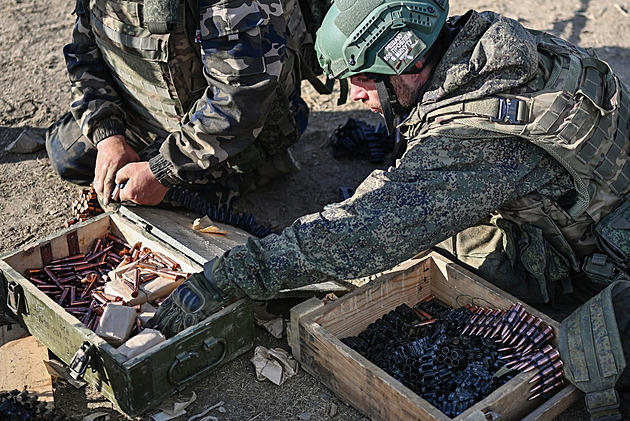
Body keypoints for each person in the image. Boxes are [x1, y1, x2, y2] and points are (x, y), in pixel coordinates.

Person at [151, 0, 630, 418]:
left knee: (584, 349)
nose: (357, 95)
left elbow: (362, 234)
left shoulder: (474, 138)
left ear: (407, 60)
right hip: (592, 206)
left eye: (363, 79)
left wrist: (229, 276)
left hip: (609, 259)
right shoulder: (493, 48)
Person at [46, 0, 314, 207]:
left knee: (154, 206)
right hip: (146, 116)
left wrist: (164, 169)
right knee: (68, 158)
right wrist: (108, 135)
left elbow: (241, 99)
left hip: (227, 130)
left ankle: (257, 167)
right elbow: (83, 50)